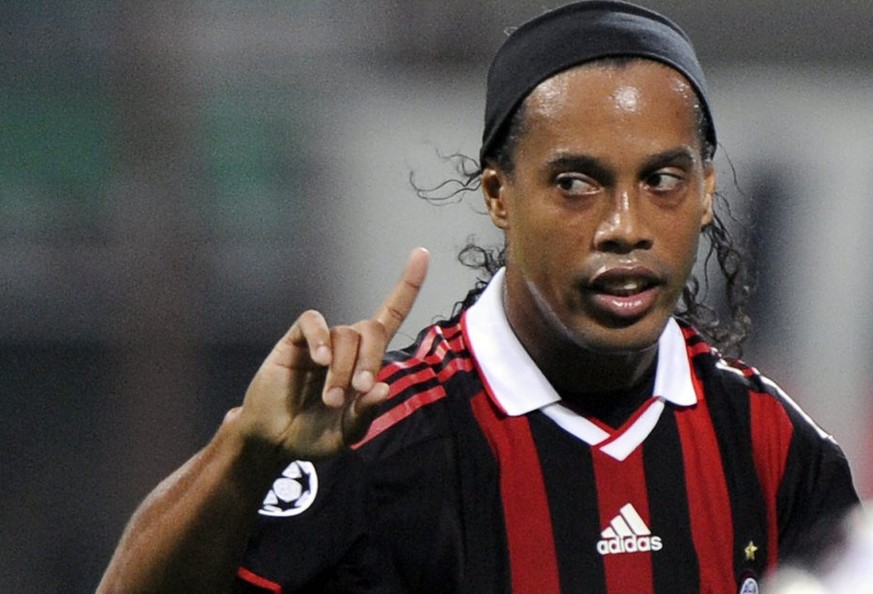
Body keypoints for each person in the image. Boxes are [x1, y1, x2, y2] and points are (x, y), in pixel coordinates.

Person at [97, 2, 860, 593]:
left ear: (704, 193)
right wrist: (243, 453)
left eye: (661, 180)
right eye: (575, 183)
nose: (624, 226)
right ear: (498, 194)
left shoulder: (771, 446)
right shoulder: (376, 442)